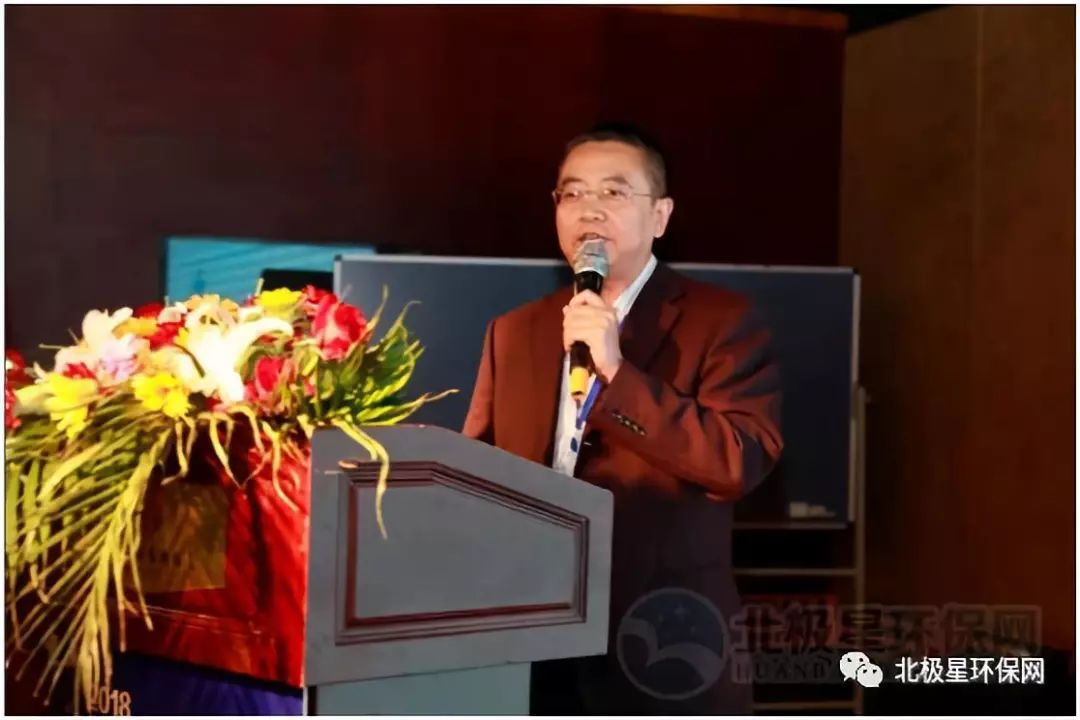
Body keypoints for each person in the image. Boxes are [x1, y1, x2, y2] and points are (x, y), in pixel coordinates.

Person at [462, 122, 783, 714]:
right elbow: (476, 474)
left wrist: (618, 373)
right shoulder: (513, 331)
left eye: (613, 192)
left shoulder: (721, 321)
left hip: (665, 640)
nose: (590, 209)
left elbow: (738, 461)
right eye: (573, 193)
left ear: (660, 215)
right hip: (531, 640)